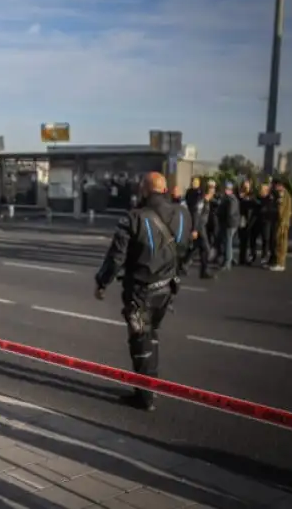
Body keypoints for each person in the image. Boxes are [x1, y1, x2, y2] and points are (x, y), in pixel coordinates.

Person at [94, 172, 193, 411]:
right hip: (168, 288)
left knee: (140, 340)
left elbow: (116, 257)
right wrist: (180, 271)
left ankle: (145, 396)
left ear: (145, 190)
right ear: (165, 189)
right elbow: (190, 246)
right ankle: (150, 386)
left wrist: (102, 282)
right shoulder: (183, 214)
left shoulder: (133, 219)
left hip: (141, 292)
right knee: (151, 334)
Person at [268, 179, 292, 272]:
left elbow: (282, 211)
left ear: (281, 186)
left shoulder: (284, 195)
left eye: (277, 185)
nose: (275, 187)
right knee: (279, 242)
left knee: (281, 243)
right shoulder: (283, 194)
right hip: (282, 222)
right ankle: (279, 262)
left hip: (282, 223)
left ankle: (280, 263)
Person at [217, 181, 240, 271]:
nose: (225, 191)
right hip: (229, 223)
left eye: (227, 189)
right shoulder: (228, 199)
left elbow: (230, 212)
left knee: (228, 243)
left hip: (230, 224)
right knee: (227, 242)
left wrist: (221, 213)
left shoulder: (231, 199)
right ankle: (229, 259)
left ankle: (227, 262)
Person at [237, 180, 259, 265]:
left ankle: (251, 257)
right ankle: (242, 258)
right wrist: (241, 197)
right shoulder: (239, 195)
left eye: (247, 186)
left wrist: (249, 198)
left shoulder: (252, 195)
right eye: (244, 186)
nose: (246, 187)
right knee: (243, 239)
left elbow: (256, 204)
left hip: (251, 220)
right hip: (242, 218)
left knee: (251, 240)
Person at [256, 183, 277, 266]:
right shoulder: (259, 198)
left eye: (263, 190)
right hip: (260, 222)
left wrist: (264, 210)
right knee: (265, 240)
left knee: (267, 239)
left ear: (267, 191)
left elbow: (270, 210)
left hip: (268, 222)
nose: (261, 191)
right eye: (261, 189)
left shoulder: (270, 199)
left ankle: (266, 257)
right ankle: (264, 257)